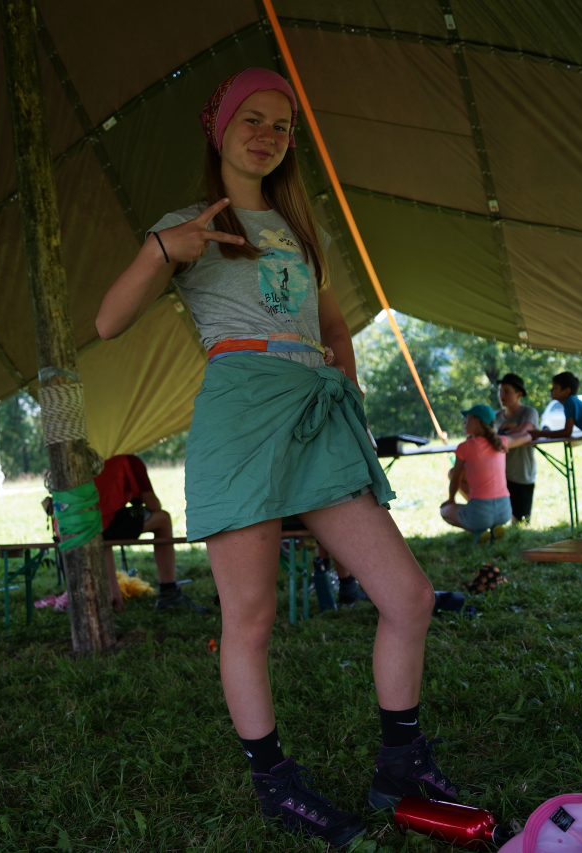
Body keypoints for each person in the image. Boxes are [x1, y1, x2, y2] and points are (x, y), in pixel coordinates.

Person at [95, 67, 463, 848]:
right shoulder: (188, 224)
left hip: (315, 413)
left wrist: (345, 383)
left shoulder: (298, 226)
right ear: (218, 126)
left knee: (409, 595)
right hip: (242, 413)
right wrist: (161, 250)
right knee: (251, 616)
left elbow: (332, 323)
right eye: (252, 118)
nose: (266, 134)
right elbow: (107, 322)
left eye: (281, 124)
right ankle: (274, 783)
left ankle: (401, 762)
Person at [93, 454, 205, 615]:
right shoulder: (130, 461)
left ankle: (111, 591)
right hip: (102, 523)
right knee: (163, 519)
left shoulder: (95, 461)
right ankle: (169, 592)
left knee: (103, 531)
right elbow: (153, 505)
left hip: (75, 524)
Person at [441, 404, 530, 541]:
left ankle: (479, 531)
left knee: (444, 511)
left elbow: (455, 478)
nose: (464, 422)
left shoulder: (464, 447)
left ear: (477, 421)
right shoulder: (501, 442)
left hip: (480, 513)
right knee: (485, 514)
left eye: (468, 418)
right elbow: (527, 437)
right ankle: (495, 529)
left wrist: (451, 499)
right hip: (505, 511)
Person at [494, 373, 540, 523]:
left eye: (506, 391)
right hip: (497, 475)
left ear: (519, 394)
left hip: (521, 475)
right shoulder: (496, 416)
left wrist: (498, 436)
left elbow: (524, 431)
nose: (502, 395)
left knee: (521, 522)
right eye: (500, 391)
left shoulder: (529, 412)